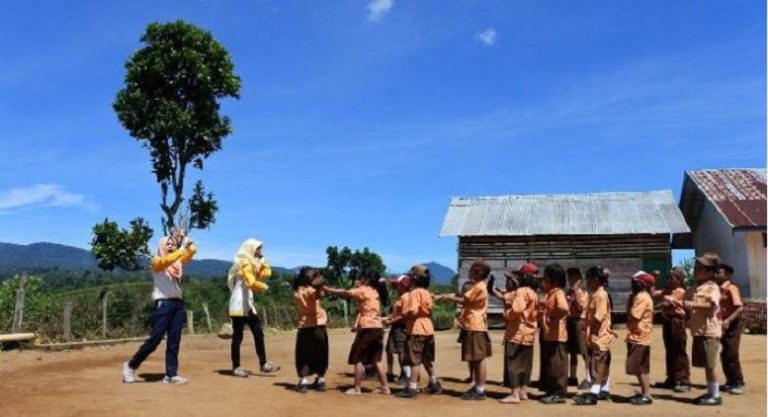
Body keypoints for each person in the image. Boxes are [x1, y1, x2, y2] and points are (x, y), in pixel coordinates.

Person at [122, 230, 196, 384]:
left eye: (173, 244)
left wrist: (184, 239)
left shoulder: (177, 263)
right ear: (161, 245)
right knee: (155, 339)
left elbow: (192, 251)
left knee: (174, 341)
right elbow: (166, 261)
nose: (171, 245)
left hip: (177, 303)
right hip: (163, 303)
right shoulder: (156, 262)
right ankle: (130, 366)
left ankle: (171, 374)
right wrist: (181, 248)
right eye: (167, 243)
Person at [324, 269, 391, 395]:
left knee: (359, 358)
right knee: (377, 360)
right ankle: (385, 387)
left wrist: (327, 289)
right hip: (377, 327)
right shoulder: (376, 291)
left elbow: (345, 292)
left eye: (363, 277)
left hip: (367, 327)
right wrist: (361, 285)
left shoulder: (363, 290)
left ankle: (357, 388)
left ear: (367, 280)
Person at [436, 258, 493, 400]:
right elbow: (462, 296)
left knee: (478, 359)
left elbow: (464, 300)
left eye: (471, 270)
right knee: (475, 358)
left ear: (478, 272)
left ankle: (480, 389)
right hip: (473, 325)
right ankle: (478, 386)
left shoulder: (479, 287)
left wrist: (447, 298)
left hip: (475, 325)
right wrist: (443, 296)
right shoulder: (478, 286)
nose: (469, 272)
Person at [226, 238, 280, 377]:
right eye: (258, 248)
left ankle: (264, 365)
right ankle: (236, 367)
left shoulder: (252, 263)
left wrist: (262, 261)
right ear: (251, 248)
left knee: (258, 334)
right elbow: (250, 282)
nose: (260, 251)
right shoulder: (244, 263)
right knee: (238, 337)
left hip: (248, 304)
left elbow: (266, 273)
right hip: (238, 304)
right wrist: (263, 286)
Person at [491, 267, 538, 404]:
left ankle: (515, 394)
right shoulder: (533, 293)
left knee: (513, 364)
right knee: (525, 365)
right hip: (529, 333)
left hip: (517, 333)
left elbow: (517, 309)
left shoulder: (521, 292)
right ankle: (523, 391)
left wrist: (506, 315)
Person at [394, 265, 441, 398]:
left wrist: (404, 315)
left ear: (414, 279)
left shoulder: (414, 293)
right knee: (425, 358)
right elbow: (430, 312)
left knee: (414, 360)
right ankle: (434, 382)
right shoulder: (427, 293)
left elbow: (413, 311)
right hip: (428, 328)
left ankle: (412, 387)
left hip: (416, 329)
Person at [684, 252, 724, 405]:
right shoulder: (696, 288)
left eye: (699, 268)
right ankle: (710, 393)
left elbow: (711, 306)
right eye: (695, 267)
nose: (695, 270)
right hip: (700, 330)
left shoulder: (712, 288)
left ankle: (715, 395)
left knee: (710, 365)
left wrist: (692, 305)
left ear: (709, 272)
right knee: (706, 365)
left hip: (709, 331)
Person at [573, 266, 613, 405]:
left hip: (598, 336)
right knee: (602, 364)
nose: (587, 282)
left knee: (597, 364)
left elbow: (598, 318)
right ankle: (604, 390)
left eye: (589, 279)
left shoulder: (600, 295)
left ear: (596, 279)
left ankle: (593, 394)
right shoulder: (597, 294)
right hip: (599, 336)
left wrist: (592, 332)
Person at [652, 267, 691, 392]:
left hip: (676, 322)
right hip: (668, 321)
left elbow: (667, 304)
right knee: (670, 350)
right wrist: (654, 279)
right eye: (668, 278)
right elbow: (653, 293)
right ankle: (672, 377)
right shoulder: (667, 291)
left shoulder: (679, 291)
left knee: (678, 350)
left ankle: (683, 379)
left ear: (679, 280)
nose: (669, 280)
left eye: (672, 278)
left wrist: (661, 304)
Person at [537, 263, 570, 404]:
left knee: (557, 364)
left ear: (553, 279)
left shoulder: (558, 293)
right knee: (550, 364)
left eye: (547, 277)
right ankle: (552, 390)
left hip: (557, 335)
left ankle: (559, 393)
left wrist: (552, 316)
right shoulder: (550, 293)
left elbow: (563, 308)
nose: (544, 279)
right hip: (549, 335)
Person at [293, 267, 329, 393]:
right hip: (319, 325)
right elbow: (321, 293)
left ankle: (303, 381)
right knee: (321, 353)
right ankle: (320, 380)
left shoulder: (298, 291)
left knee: (303, 354)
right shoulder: (312, 290)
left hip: (304, 326)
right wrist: (318, 277)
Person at [625, 271, 654, 405]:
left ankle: (646, 394)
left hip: (639, 336)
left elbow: (633, 316)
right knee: (642, 367)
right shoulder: (641, 296)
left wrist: (630, 301)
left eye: (635, 282)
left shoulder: (641, 297)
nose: (632, 284)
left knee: (638, 367)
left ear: (642, 284)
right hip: (641, 336)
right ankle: (645, 393)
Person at [716, 263, 745, 395]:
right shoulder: (718, 290)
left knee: (731, 353)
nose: (716, 275)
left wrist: (728, 320)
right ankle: (730, 381)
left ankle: (738, 382)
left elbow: (740, 308)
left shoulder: (731, 288)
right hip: (724, 323)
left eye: (719, 272)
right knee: (725, 353)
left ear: (727, 275)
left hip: (734, 323)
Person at [383, 275, 411, 384]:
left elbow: (404, 316)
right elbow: (396, 314)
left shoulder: (406, 297)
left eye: (399, 285)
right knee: (389, 350)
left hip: (401, 327)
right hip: (395, 327)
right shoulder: (400, 297)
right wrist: (388, 318)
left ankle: (406, 375)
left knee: (401, 352)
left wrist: (390, 321)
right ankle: (390, 373)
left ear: (404, 286)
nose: (396, 287)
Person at [566, 267, 590, 390]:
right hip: (570, 321)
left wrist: (575, 292)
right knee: (572, 351)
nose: (571, 281)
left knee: (583, 350)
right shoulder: (568, 293)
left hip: (579, 321)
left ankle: (589, 377)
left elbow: (580, 307)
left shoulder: (583, 293)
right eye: (570, 278)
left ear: (580, 280)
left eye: (574, 278)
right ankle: (573, 376)